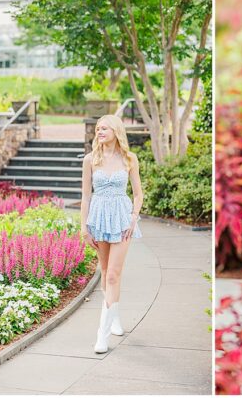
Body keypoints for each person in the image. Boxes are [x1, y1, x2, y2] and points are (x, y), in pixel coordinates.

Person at [81, 114, 143, 353]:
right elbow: (86, 195)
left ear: (116, 131)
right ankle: (114, 315)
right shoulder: (90, 159)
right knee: (105, 271)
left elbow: (138, 194)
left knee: (114, 275)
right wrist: (83, 226)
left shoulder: (129, 158)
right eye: (97, 128)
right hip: (97, 218)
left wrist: (133, 217)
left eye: (104, 128)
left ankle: (102, 335)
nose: (100, 131)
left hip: (121, 219)